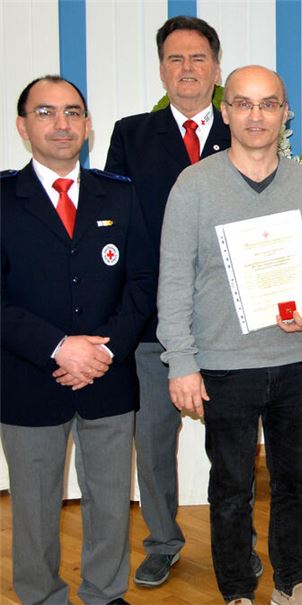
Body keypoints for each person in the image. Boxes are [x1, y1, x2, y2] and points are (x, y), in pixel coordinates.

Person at [157, 65, 302, 605]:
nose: (256, 115)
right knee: (230, 490)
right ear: (226, 112)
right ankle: (238, 590)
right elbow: (173, 280)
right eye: (244, 103)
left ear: (285, 113)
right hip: (222, 365)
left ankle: (292, 582)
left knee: (294, 484)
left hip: (292, 361)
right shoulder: (193, 186)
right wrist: (182, 362)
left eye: (269, 104)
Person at [2, 75, 157, 605]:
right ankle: (41, 596)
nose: (61, 124)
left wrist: (104, 349)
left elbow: (141, 283)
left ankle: (104, 593)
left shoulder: (120, 194)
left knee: (111, 500)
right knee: (35, 505)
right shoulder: (2, 198)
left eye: (72, 113)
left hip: (108, 377)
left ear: (88, 126)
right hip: (28, 380)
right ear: (23, 127)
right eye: (45, 113)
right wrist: (58, 347)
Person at [104, 15, 237, 588]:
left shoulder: (244, 131)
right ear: (162, 68)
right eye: (176, 59)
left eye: (199, 58)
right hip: (154, 327)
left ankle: (237, 546)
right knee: (154, 444)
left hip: (232, 327)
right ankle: (163, 541)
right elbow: (112, 230)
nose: (188, 68)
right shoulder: (131, 134)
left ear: (216, 68)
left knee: (231, 449)